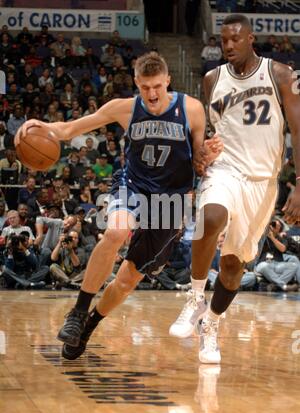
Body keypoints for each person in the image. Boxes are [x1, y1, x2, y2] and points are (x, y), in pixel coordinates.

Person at [16, 52, 223, 360]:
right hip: (133, 186)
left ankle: (88, 326)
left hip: (171, 201)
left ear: (168, 81)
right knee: (115, 232)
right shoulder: (124, 109)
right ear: (136, 83)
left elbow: (198, 163)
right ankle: (78, 311)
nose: (151, 94)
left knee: (127, 280)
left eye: (157, 86)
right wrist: (38, 125)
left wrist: (207, 154)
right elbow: (68, 130)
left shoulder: (191, 109)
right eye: (144, 87)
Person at [169, 14, 300, 364]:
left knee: (232, 266)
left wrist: (299, 185)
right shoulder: (212, 79)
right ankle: (195, 297)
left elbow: (298, 131)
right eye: (223, 40)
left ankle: (210, 324)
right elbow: (208, 136)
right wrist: (201, 156)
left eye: (235, 39)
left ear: (251, 38)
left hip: (263, 181)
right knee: (211, 218)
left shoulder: (282, 74)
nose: (228, 45)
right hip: (226, 170)